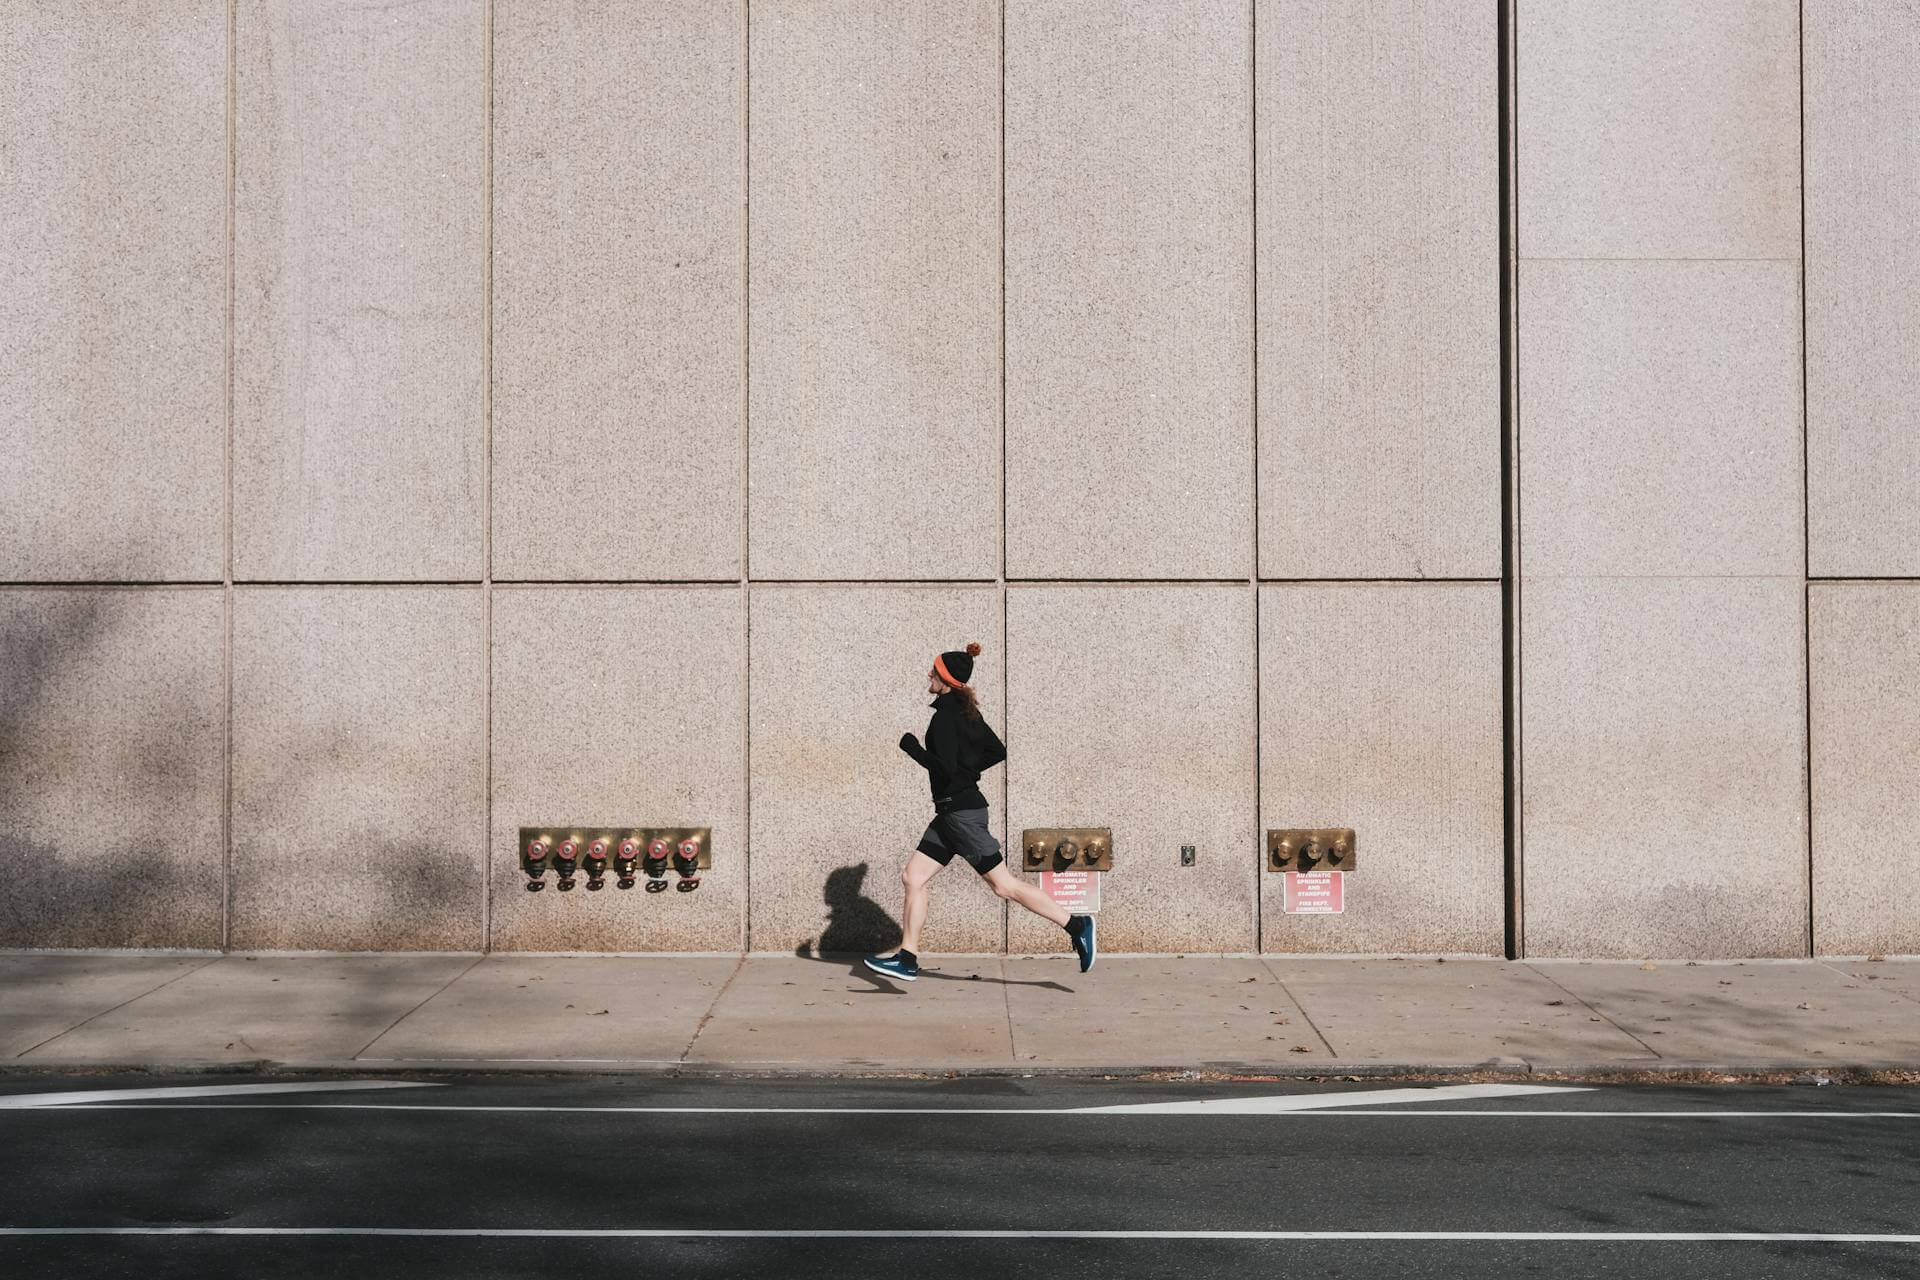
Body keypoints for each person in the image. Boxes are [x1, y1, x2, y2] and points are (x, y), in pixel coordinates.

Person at [865, 642, 1096, 982]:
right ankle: (907, 958)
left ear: (945, 679)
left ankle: (1077, 925)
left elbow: (943, 768)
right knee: (913, 877)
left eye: (934, 671)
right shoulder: (967, 713)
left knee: (1004, 886)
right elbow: (995, 751)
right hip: (952, 815)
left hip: (961, 816)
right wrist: (967, 770)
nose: (928, 674)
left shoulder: (945, 717)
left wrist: (912, 747)